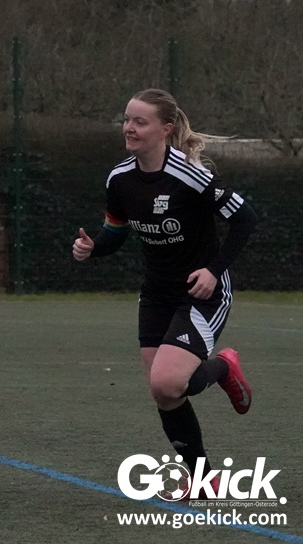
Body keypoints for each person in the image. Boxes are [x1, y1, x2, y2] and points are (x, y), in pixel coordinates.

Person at [72, 88, 257, 499]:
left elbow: (245, 219)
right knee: (165, 392)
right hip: (156, 293)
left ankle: (223, 367)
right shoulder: (119, 179)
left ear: (165, 129)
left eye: (140, 121)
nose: (129, 128)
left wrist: (213, 270)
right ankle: (204, 479)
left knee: (168, 382)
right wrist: (92, 247)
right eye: (127, 119)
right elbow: (115, 231)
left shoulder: (191, 175)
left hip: (202, 292)